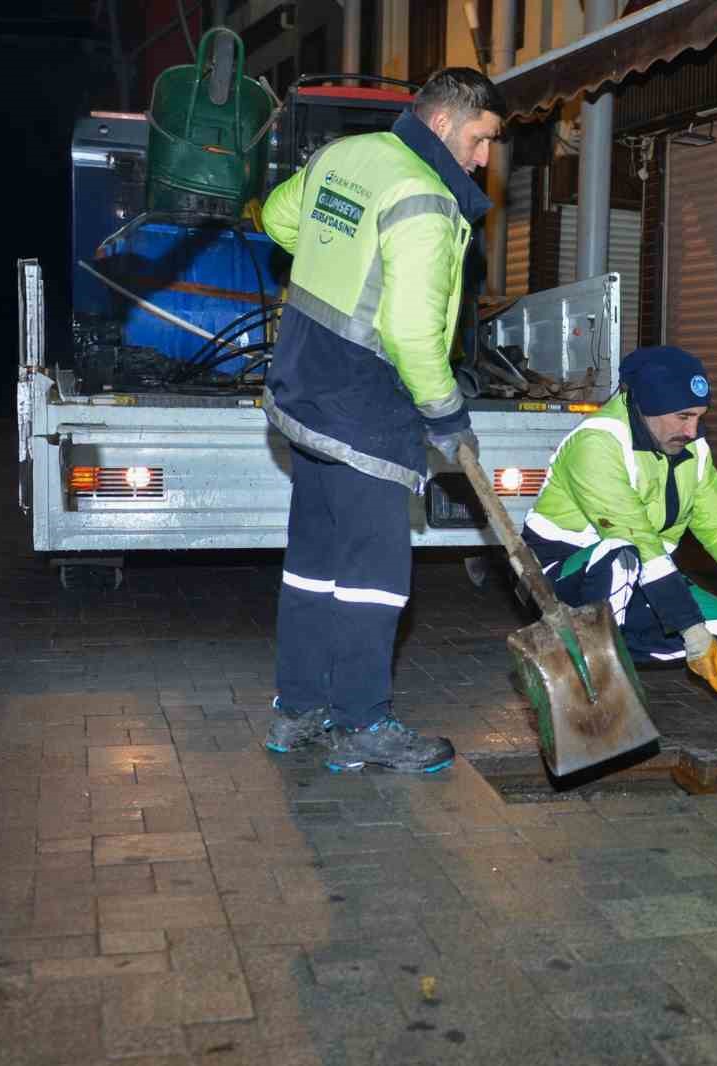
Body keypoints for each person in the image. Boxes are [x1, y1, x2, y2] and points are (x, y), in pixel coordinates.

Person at [257, 68, 505, 773]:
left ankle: (297, 711)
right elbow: (413, 333)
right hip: (365, 405)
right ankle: (361, 723)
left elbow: (279, 219)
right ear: (446, 122)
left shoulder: (345, 155)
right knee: (375, 575)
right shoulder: (424, 199)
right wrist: (447, 415)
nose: (485, 159)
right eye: (482, 139)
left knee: (312, 563)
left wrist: (340, 256)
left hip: (304, 386)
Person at [522, 345, 717, 693]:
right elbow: (638, 540)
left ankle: (613, 653)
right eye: (684, 417)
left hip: (641, 571)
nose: (693, 430)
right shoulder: (598, 443)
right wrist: (688, 627)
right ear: (648, 406)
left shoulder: (691, 449)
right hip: (562, 574)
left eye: (699, 417)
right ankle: (591, 681)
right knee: (623, 553)